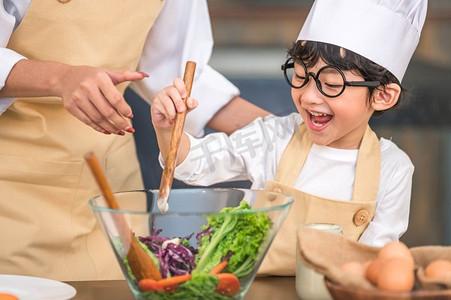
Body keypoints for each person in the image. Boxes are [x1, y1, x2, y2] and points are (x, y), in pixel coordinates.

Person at [152, 0, 427, 275]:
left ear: (382, 95)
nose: (308, 96)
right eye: (299, 76)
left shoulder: (393, 169)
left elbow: (377, 261)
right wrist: (168, 129)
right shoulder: (273, 136)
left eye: (331, 84)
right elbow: (196, 163)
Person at [0, 1, 268, 281]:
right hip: (16, 193)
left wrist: (290, 132)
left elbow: (180, 79)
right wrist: (60, 78)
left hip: (113, 196)